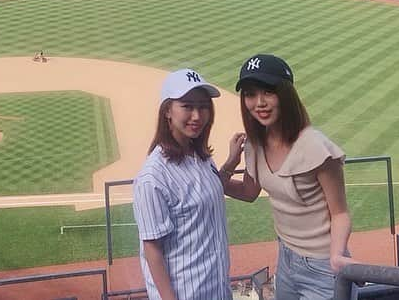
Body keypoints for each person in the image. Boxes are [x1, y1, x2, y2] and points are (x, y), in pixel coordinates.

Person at [221, 54, 353, 300]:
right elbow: (249, 193)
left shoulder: (315, 147)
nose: (258, 102)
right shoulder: (254, 145)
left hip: (323, 265)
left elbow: (340, 213)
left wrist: (337, 256)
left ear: (286, 95)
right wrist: (228, 166)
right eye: (250, 94)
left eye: (268, 92)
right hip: (286, 259)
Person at [132, 68, 231, 300]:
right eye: (187, 106)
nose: (197, 116)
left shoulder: (199, 156)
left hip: (217, 289)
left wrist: (232, 162)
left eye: (203, 106)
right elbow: (152, 250)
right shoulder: (153, 177)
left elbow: (208, 189)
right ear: (167, 110)